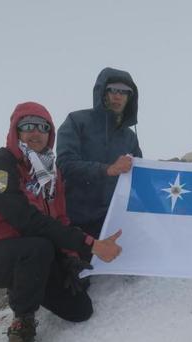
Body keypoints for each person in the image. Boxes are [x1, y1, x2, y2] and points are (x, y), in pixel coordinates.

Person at [0, 102, 122, 342]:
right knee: (37, 248)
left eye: (42, 127)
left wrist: (70, 255)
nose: (35, 133)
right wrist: (91, 244)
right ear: (16, 131)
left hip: (35, 251)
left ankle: (33, 283)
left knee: (80, 310)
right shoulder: (0, 166)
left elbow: (59, 218)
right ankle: (22, 323)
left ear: (50, 134)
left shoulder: (51, 171)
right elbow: (27, 221)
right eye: (27, 126)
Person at [56, 67, 142, 240]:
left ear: (130, 98)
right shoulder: (77, 121)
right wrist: (107, 169)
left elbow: (139, 177)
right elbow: (65, 164)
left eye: (125, 92)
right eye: (113, 90)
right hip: (76, 220)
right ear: (102, 92)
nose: (118, 96)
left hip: (115, 221)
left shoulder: (130, 138)